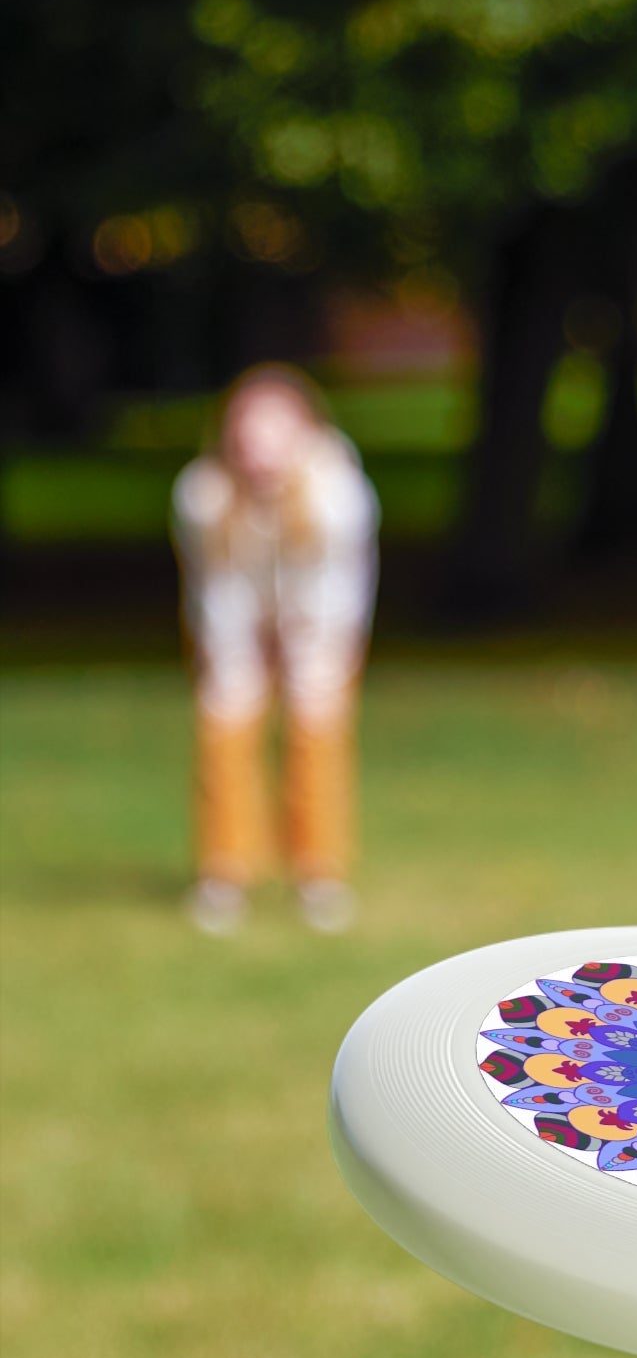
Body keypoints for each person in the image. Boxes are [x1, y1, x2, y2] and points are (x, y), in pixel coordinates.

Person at [172, 364, 379, 935]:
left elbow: (336, 588)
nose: (259, 449)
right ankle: (224, 873)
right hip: (235, 624)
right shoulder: (203, 495)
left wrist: (305, 648)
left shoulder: (338, 494)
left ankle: (318, 874)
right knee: (224, 725)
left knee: (317, 731)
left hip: (319, 625)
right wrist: (237, 655)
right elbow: (216, 588)